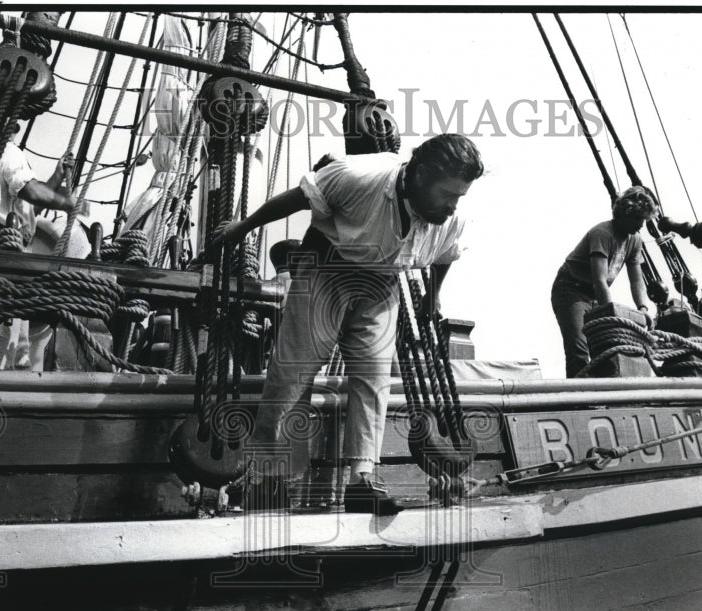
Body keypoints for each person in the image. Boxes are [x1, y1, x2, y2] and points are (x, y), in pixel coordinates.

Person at [213, 133, 485, 512]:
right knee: (293, 371)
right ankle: (265, 478)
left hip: (383, 283)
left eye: (460, 196)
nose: (454, 205)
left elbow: (444, 256)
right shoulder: (359, 176)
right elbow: (294, 200)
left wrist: (433, 295)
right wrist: (241, 228)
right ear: (420, 175)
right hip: (327, 268)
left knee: (374, 378)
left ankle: (362, 480)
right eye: (448, 194)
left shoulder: (451, 217)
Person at [0, 130, 75, 369]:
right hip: (2, 251)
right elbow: (31, 192)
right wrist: (68, 203)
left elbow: (26, 211)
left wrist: (56, 177)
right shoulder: (8, 152)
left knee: (4, 336)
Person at [551, 186, 657, 378]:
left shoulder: (635, 240)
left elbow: (636, 278)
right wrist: (612, 320)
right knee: (579, 349)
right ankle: (581, 401)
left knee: (603, 350)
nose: (641, 225)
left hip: (593, 293)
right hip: (570, 289)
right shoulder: (602, 234)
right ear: (626, 214)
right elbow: (600, 281)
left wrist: (642, 307)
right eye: (638, 219)